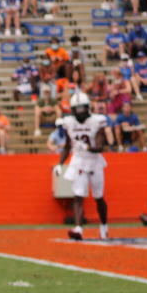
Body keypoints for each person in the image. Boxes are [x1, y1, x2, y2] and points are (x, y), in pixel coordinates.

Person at [56, 91, 110, 241]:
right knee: (78, 196)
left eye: (82, 109)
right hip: (78, 161)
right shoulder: (69, 122)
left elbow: (100, 146)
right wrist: (60, 163)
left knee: (98, 197)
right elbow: (67, 146)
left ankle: (104, 226)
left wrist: (87, 147)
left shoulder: (97, 121)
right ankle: (78, 228)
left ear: (88, 108)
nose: (80, 113)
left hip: (94, 161)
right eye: (77, 109)